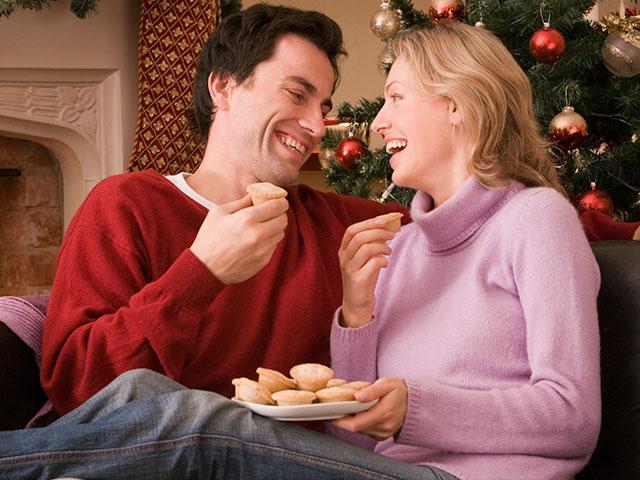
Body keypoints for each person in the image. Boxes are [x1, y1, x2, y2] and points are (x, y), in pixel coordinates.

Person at [39, 2, 404, 418]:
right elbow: (77, 388)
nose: (317, 127)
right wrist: (201, 272)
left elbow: (452, 225)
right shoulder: (126, 206)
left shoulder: (336, 224)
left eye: (322, 108)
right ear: (224, 87)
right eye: (297, 94)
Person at [327, 21, 601, 480]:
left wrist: (417, 408)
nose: (377, 122)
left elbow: (573, 417)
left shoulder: (536, 219)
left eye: (396, 97)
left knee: (205, 433)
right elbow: (354, 443)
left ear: (456, 105)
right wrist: (356, 315)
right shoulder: (402, 248)